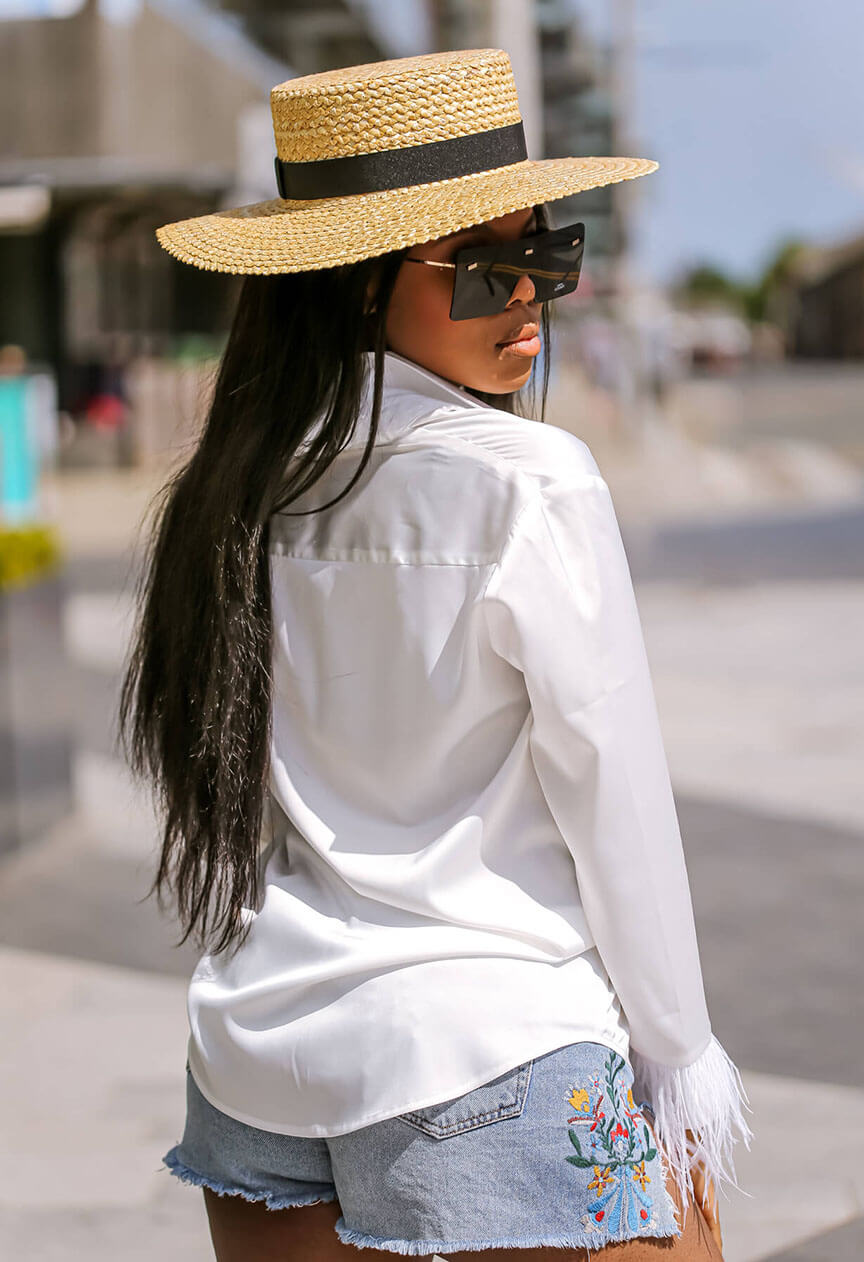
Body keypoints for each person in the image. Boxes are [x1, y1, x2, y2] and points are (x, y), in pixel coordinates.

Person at [121, 49, 751, 1260]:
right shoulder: (532, 479)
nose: (529, 295)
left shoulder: (236, 485)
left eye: (545, 252)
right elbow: (614, 795)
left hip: (260, 1055)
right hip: (495, 1043)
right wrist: (679, 1053)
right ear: (363, 286)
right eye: (482, 263)